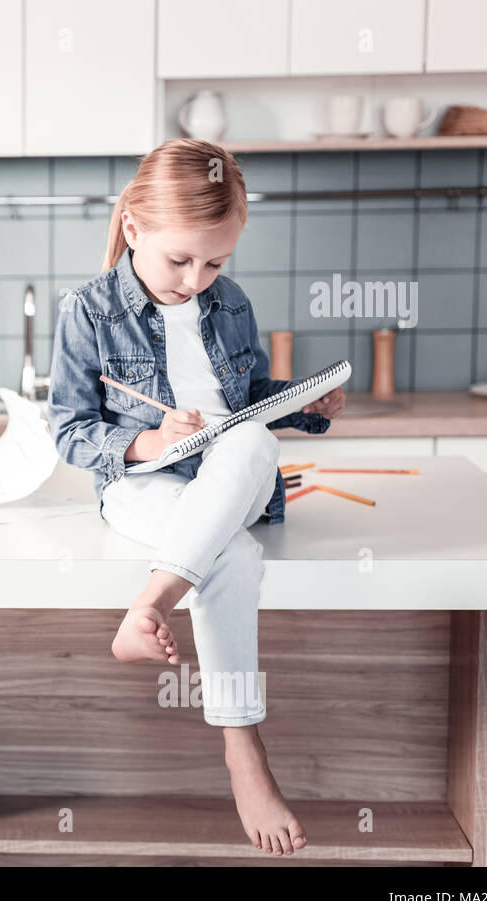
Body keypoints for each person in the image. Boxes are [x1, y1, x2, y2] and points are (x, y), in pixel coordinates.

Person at [47, 139, 346, 857]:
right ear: (134, 228)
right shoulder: (88, 311)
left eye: (215, 262)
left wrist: (304, 404)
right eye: (180, 260)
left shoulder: (230, 303)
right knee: (232, 556)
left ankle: (147, 606)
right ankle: (244, 750)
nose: (197, 278)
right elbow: (65, 429)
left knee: (247, 444)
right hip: (144, 488)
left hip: (229, 479)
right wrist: (147, 443)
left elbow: (243, 404)